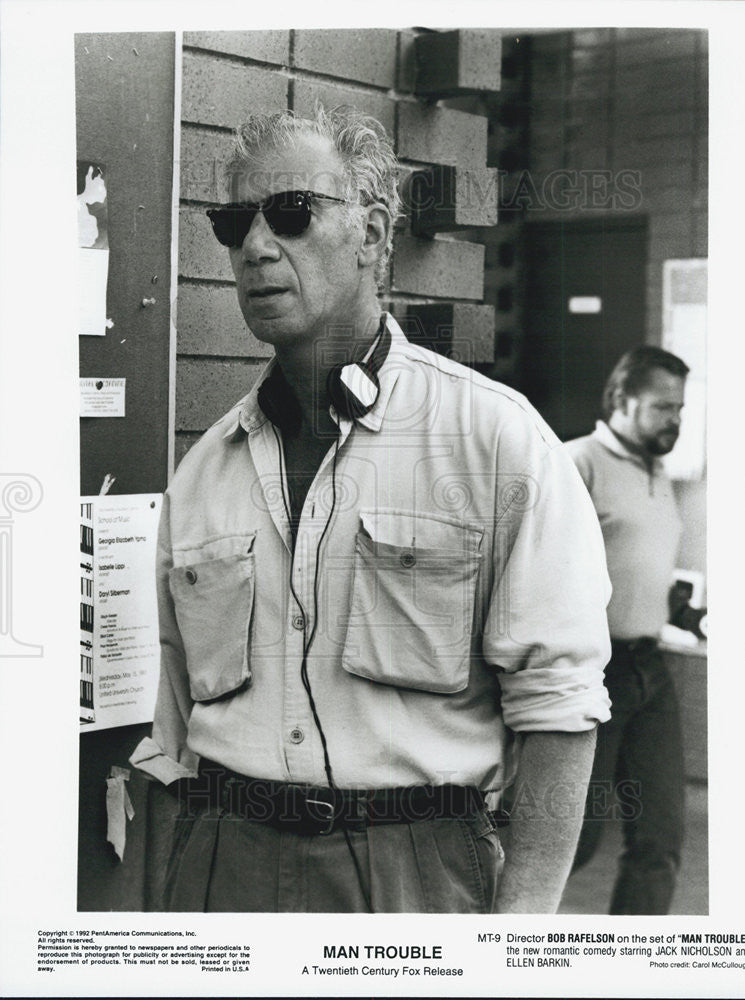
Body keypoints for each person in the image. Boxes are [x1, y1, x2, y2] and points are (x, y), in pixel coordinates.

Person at [131, 105, 613, 913]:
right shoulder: (206, 469)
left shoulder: (493, 440)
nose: (255, 247)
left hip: (412, 873)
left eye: (290, 213)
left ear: (374, 234)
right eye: (233, 222)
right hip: (222, 862)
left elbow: (559, 705)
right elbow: (175, 717)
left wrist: (520, 934)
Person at [565, 346, 690, 914]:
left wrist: (683, 611)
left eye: (680, 409)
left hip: (651, 670)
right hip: (593, 673)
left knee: (660, 840)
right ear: (621, 399)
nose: (675, 421)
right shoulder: (576, 463)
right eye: (663, 407)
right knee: (572, 841)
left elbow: (640, 566)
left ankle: (634, 971)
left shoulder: (657, 470)